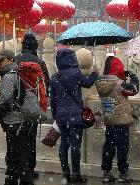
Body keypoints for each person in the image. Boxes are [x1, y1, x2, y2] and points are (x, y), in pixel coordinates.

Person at [49, 47, 98, 184]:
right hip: (75, 116)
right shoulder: (76, 73)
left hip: (62, 117)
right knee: (75, 145)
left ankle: (65, 174)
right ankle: (76, 174)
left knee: (64, 144)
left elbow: (52, 99)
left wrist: (56, 115)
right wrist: (94, 74)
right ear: (73, 59)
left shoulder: (55, 77)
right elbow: (87, 83)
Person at [0, 48, 35, 185]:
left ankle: (21, 179)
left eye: (1, 60)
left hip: (14, 121)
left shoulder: (9, 77)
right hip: (25, 120)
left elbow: (5, 100)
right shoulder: (19, 74)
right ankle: (14, 177)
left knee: (16, 153)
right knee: (19, 152)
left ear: (10, 60)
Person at [95, 55, 138, 184]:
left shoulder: (100, 83)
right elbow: (134, 90)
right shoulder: (119, 84)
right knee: (122, 146)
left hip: (109, 120)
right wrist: (133, 76)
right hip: (121, 121)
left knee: (109, 145)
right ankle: (123, 173)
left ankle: (107, 173)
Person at [15, 33, 50, 179]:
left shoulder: (16, 60)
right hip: (34, 106)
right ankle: (29, 169)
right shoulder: (39, 62)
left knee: (16, 139)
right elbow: (46, 83)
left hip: (17, 105)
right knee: (31, 139)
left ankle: (17, 168)